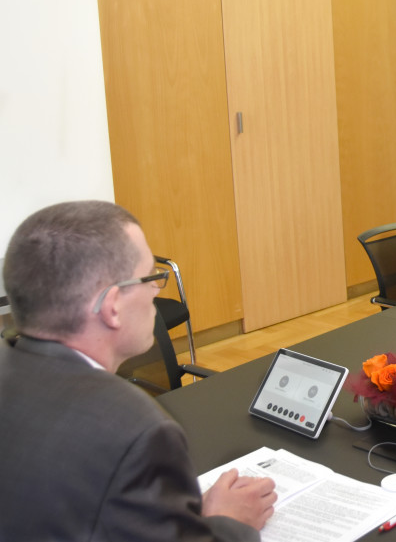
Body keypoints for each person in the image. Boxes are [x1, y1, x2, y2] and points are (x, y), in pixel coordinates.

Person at [0, 201, 277, 541]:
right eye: (150, 278)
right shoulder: (137, 431)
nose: (155, 291)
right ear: (113, 307)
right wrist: (226, 521)